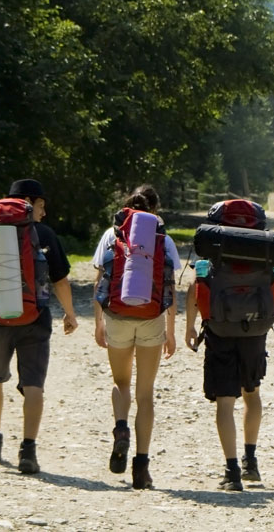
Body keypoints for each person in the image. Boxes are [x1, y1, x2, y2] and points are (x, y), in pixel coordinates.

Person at [0, 178, 78, 475]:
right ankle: (28, 451)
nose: (43, 213)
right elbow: (60, 280)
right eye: (41, 206)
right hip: (35, 319)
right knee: (34, 384)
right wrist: (71, 314)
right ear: (30, 203)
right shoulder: (45, 235)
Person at [184, 199, 274, 492]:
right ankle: (251, 461)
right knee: (252, 393)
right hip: (254, 329)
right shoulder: (263, 247)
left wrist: (190, 325)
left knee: (225, 402)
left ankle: (232, 473)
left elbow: (195, 287)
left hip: (219, 329)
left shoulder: (214, 245)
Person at [91, 185, 179, 489]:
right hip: (152, 318)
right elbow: (170, 287)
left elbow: (100, 280)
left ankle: (121, 429)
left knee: (121, 382)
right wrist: (171, 331)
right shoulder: (163, 239)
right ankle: (141, 467)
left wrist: (98, 322)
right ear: (155, 209)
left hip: (117, 316)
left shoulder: (111, 234)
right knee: (145, 393)